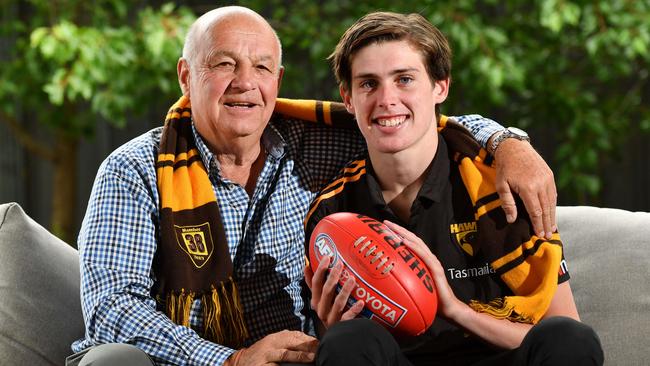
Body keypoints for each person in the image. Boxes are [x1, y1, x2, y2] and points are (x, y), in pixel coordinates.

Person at [69, 6, 560, 366]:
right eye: (223, 64)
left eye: (261, 66)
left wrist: (508, 142)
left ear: (278, 80)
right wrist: (229, 361)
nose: (245, 82)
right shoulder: (134, 169)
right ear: (185, 75)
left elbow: (413, 122)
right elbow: (112, 310)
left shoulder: (315, 146)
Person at [304, 11, 603, 366]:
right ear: (348, 98)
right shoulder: (331, 210)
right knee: (346, 340)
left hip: (498, 358)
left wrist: (454, 309)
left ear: (440, 86)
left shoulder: (503, 183)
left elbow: (562, 330)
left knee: (570, 339)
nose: (386, 99)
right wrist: (329, 326)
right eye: (368, 83)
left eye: (404, 79)